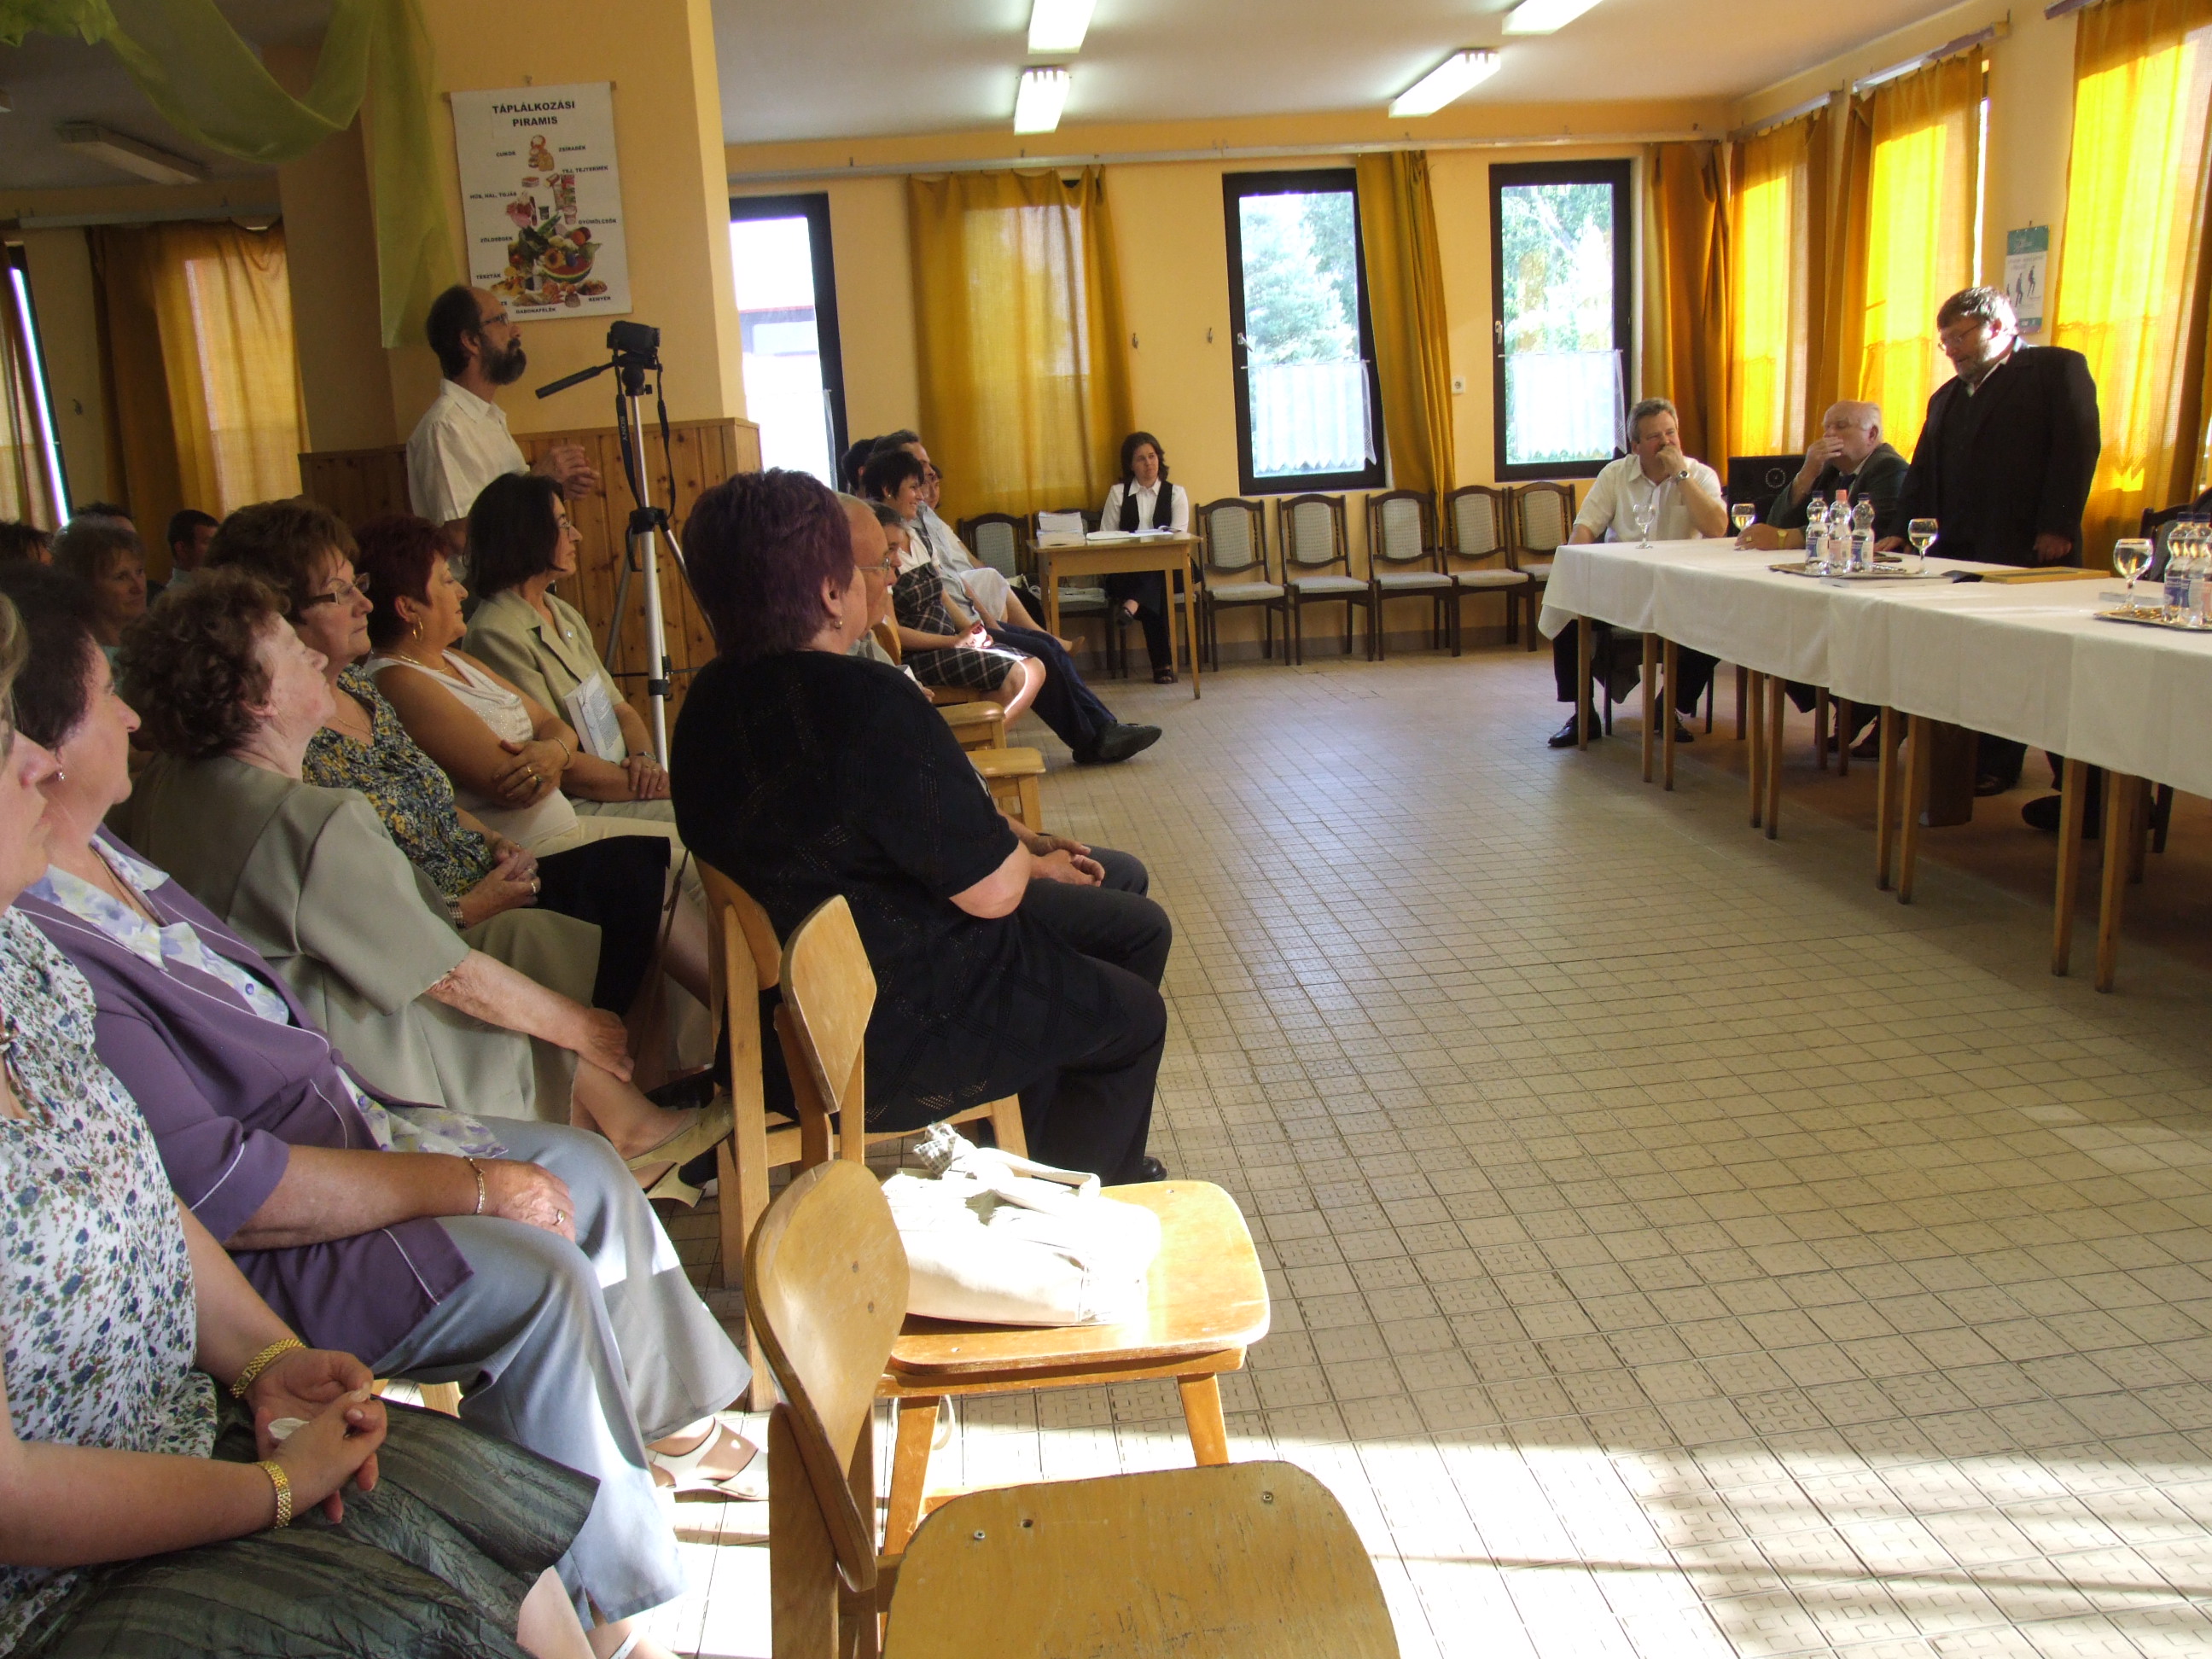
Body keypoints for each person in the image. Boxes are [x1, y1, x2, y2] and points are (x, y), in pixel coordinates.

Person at [9, 564, 761, 1650]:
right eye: (101, 699)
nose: (130, 715)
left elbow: (155, 1168)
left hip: (334, 1112)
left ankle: (650, 1429)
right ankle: (612, 1591)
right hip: (314, 1172)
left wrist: (268, 1361)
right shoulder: (78, 917)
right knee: (546, 1265)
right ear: (41, 753)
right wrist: (479, 1171)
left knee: (589, 1173)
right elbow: (221, 1180)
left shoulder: (115, 844)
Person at [108, 569, 726, 1185]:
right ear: (256, 700)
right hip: (347, 1057)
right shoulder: (309, 819)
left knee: (555, 934)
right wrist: (580, 1025)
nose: (315, 656)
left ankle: (631, 1128)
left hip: (264, 1041)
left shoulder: (168, 784)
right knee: (537, 995)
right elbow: (448, 973)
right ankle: (633, 1140)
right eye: (296, 651)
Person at [672, 469, 1167, 1185]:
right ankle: (1074, 1196)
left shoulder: (704, 704)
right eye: (867, 568)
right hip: (895, 1029)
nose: (882, 579)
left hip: (781, 1030)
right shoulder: (863, 700)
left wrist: (1026, 855)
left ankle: (1045, 1145)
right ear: (829, 592)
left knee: (1113, 935)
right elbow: (993, 893)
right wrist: (1029, 860)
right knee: (1136, 1013)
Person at [1888, 286, 2102, 801]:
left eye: (1960, 337)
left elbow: (2076, 446)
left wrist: (2058, 525)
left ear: (1999, 326)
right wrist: (1899, 528)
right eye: (1945, 342)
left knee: (2036, 664)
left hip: (2028, 545)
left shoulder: (2054, 369)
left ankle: (2074, 786)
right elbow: (1922, 471)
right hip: (1958, 549)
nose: (1952, 351)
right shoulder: (1946, 396)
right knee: (1977, 658)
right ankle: (1984, 760)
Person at [863, 448, 1161, 765]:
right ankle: (1088, 740)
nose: (922, 495)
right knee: (1038, 657)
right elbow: (892, 629)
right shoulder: (882, 550)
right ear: (888, 490)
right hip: (930, 650)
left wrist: (971, 629)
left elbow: (943, 594)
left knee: (1044, 645)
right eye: (914, 487)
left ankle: (1102, 730)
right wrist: (955, 640)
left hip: (954, 636)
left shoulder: (916, 536)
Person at [459, 474, 680, 831]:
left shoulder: (561, 612)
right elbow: (563, 765)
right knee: (701, 826)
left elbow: (620, 709)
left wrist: (645, 759)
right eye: (563, 524)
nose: (576, 535)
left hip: (622, 785)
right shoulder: (494, 633)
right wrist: (654, 786)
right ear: (527, 534)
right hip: (576, 803)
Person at [1545, 398, 1726, 748]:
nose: (1666, 442)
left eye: (1671, 433)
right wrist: (1574, 565)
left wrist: (1682, 477)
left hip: (1681, 590)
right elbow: (1585, 527)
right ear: (1636, 446)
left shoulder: (1700, 475)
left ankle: (1667, 707)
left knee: (1719, 622)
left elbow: (1718, 529)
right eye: (1655, 437)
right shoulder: (1616, 475)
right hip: (1622, 589)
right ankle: (1583, 715)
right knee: (1565, 609)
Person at [407, 285, 600, 546]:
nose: (516, 331)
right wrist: (537, 483)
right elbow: (459, 536)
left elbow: (500, 512)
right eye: (501, 320)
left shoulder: (488, 418)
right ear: (471, 341)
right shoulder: (445, 427)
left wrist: (552, 490)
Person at [1738, 402, 1907, 549]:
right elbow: (1776, 523)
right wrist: (1807, 473)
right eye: (1826, 428)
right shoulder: (1829, 468)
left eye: (1841, 426)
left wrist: (1787, 538)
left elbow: (1867, 529)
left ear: (1871, 434)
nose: (1829, 434)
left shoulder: (1889, 467)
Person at [1097, 430, 1190, 684]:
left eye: (1152, 456)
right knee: (1154, 587)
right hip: (1127, 572)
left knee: (1156, 576)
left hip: (1171, 567)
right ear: (1131, 465)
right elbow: (1106, 536)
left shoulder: (1175, 493)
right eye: (1141, 458)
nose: (1149, 463)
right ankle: (1162, 667)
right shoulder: (1118, 493)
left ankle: (1132, 605)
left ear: (1159, 459)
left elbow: (1179, 537)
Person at [51, 515, 147, 657]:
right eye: (121, 577)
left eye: (139, 572)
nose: (139, 588)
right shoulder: (76, 659)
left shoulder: (157, 644)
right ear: (85, 585)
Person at [162, 505, 219, 595]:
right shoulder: (176, 597)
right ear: (182, 549)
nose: (217, 548)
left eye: (218, 542)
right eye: (209, 542)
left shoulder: (217, 584)